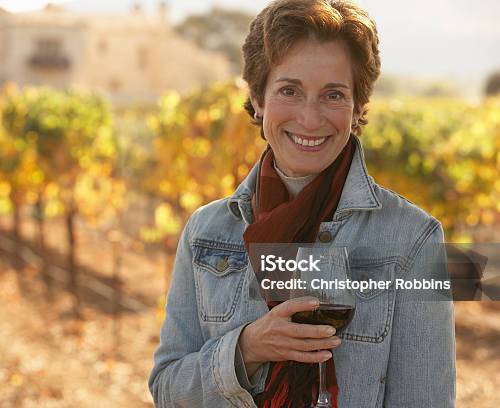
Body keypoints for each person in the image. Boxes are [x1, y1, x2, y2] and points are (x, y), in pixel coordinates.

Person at [148, 0, 456, 406]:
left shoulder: (413, 239)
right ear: (258, 98)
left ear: (357, 106)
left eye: (333, 95)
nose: (310, 119)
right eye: (289, 90)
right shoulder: (206, 232)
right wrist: (247, 349)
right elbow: (167, 389)